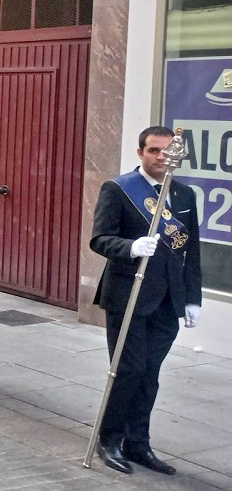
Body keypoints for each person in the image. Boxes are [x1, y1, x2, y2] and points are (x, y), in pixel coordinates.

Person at [89, 126, 203, 476]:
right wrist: (131, 247)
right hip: (128, 295)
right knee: (128, 371)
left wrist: (193, 298)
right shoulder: (120, 189)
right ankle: (110, 440)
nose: (162, 157)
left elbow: (191, 250)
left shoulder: (184, 195)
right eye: (154, 151)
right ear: (141, 153)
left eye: (168, 152)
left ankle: (138, 443)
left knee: (149, 375)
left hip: (168, 301)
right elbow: (100, 239)